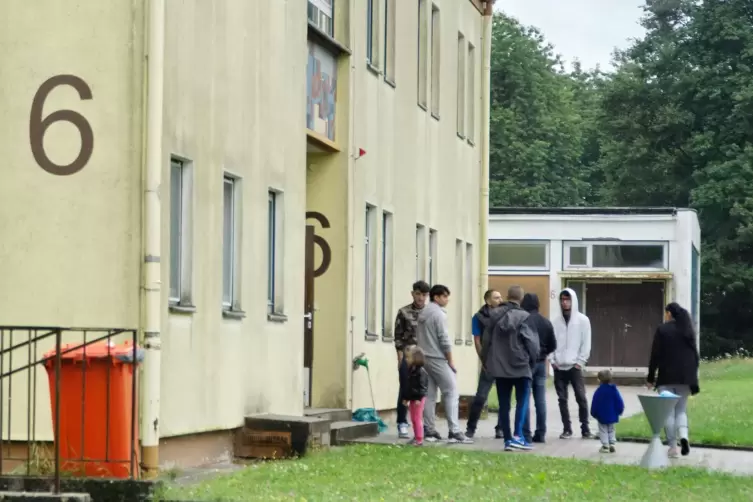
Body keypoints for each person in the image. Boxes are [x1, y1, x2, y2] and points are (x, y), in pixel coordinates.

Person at [482, 285, 540, 451]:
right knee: (522, 402)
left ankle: (507, 439)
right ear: (521, 299)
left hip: (500, 366)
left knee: (504, 404)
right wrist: (532, 362)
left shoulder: (493, 315)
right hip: (521, 366)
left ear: (507, 296)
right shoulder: (525, 317)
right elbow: (532, 343)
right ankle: (518, 436)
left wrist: (486, 361)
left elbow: (486, 341)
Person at [417, 284, 471, 444]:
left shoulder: (424, 313)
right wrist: (450, 360)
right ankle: (454, 430)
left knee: (430, 394)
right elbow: (444, 339)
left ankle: (429, 429)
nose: (447, 300)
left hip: (423, 356)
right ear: (436, 297)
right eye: (445, 296)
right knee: (451, 390)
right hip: (437, 357)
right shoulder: (439, 314)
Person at [647, 302, 700, 458]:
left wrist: (651, 378)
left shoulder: (662, 329)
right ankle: (684, 436)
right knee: (681, 410)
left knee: (668, 412)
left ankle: (673, 448)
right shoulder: (688, 330)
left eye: (665, 313)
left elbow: (654, 355)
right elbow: (694, 356)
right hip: (685, 378)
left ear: (669, 313)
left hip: (666, 378)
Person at [550, 288, 594, 440]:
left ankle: (585, 428)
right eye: (562, 299)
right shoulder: (555, 322)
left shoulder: (583, 320)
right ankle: (567, 428)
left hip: (575, 366)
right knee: (562, 399)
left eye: (567, 300)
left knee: (581, 397)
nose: (564, 302)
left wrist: (580, 362)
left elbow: (586, 343)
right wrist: (552, 360)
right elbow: (550, 342)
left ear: (573, 301)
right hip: (559, 367)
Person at [465, 289, 504, 439]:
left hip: (503, 362)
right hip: (488, 361)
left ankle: (500, 428)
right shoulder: (478, 318)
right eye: (496, 297)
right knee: (481, 396)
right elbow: (477, 340)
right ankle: (471, 428)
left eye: (500, 297)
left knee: (503, 397)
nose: (500, 300)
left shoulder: (504, 315)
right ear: (488, 301)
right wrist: (483, 359)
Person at [393, 281, 430, 438]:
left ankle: (425, 424)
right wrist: (400, 356)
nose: (420, 298)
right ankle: (402, 421)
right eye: (418, 294)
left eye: (424, 295)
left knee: (425, 389)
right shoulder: (404, 312)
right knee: (406, 388)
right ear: (413, 294)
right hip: (409, 356)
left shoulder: (430, 312)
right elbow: (398, 337)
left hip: (426, 357)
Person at [521, 293, 557, 443]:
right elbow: (553, 345)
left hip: (526, 363)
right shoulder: (546, 322)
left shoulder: (523, 320)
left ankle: (526, 434)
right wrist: (543, 354)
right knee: (540, 400)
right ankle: (541, 433)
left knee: (525, 399)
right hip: (541, 363)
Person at [590, 369, 625, 453]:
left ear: (599, 380)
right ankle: (612, 443)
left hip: (601, 415)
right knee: (611, 429)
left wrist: (593, 413)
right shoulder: (614, 390)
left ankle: (605, 445)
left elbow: (595, 403)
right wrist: (620, 410)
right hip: (612, 414)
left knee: (603, 430)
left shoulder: (598, 391)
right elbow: (619, 401)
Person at [401, 345, 429, 446]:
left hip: (418, 399)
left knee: (417, 418)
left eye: (408, 357)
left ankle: (419, 439)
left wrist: (418, 398)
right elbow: (409, 386)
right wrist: (406, 398)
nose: (406, 360)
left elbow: (423, 386)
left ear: (415, 358)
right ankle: (416, 437)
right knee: (413, 418)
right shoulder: (411, 370)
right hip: (413, 398)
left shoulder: (421, 372)